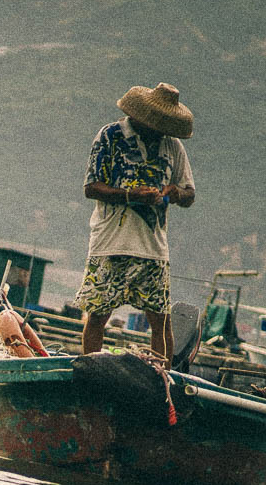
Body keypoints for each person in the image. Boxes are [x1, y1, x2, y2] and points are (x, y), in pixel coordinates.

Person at [77, 82, 196, 357]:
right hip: (111, 243)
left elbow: (189, 194)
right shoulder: (110, 136)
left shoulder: (172, 146)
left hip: (152, 248)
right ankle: (91, 369)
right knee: (98, 315)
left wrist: (173, 192)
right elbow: (91, 187)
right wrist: (132, 195)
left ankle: (161, 380)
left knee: (161, 320)